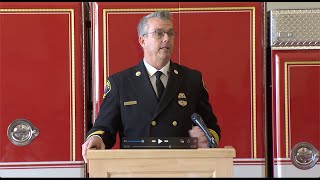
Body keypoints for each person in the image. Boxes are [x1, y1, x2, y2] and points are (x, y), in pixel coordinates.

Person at [82, 10, 220, 163]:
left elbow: (212, 127)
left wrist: (207, 139)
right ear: (142, 41)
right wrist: (96, 138)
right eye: (159, 33)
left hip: (182, 167)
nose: (166, 39)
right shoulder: (120, 83)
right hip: (136, 168)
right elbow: (104, 128)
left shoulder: (191, 79)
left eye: (170, 33)